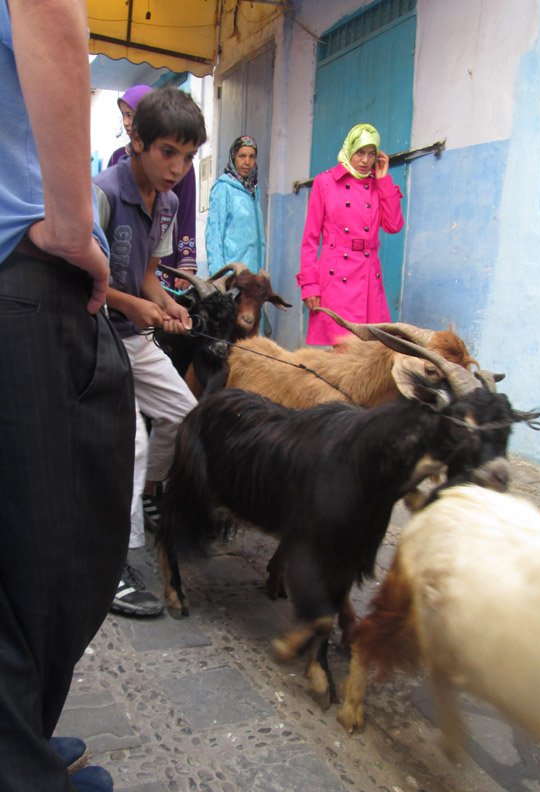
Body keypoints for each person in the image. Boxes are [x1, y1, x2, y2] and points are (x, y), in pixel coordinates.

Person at [0, 1, 135, 790]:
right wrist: (70, 224)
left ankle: (17, 737)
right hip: (20, 261)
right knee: (59, 549)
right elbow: (49, 8)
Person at [93, 87, 207, 617]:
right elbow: (78, 281)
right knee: (130, 443)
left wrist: (168, 305)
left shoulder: (169, 204)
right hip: (93, 333)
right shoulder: (101, 193)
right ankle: (112, 561)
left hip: (133, 335)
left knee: (189, 416)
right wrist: (132, 306)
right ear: (135, 140)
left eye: (188, 157)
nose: (178, 168)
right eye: (168, 152)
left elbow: (146, 276)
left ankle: (146, 500)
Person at [297, 123, 405, 346]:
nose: (365, 160)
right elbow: (310, 239)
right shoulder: (325, 182)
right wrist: (309, 285)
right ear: (349, 150)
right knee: (343, 348)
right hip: (337, 276)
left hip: (368, 274)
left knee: (371, 348)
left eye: (371, 154)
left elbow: (393, 226)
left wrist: (384, 180)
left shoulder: (377, 184)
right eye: (360, 153)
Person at [107, 84, 198, 291]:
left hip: (162, 254)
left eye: (131, 115)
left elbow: (185, 212)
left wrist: (186, 260)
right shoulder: (115, 164)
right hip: (123, 251)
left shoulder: (180, 169)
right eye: (124, 115)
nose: (127, 122)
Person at [205, 134, 266, 275]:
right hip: (231, 275)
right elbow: (214, 234)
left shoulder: (254, 190)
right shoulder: (223, 187)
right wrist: (219, 276)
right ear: (233, 157)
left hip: (252, 276)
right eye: (242, 156)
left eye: (252, 157)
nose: (247, 162)